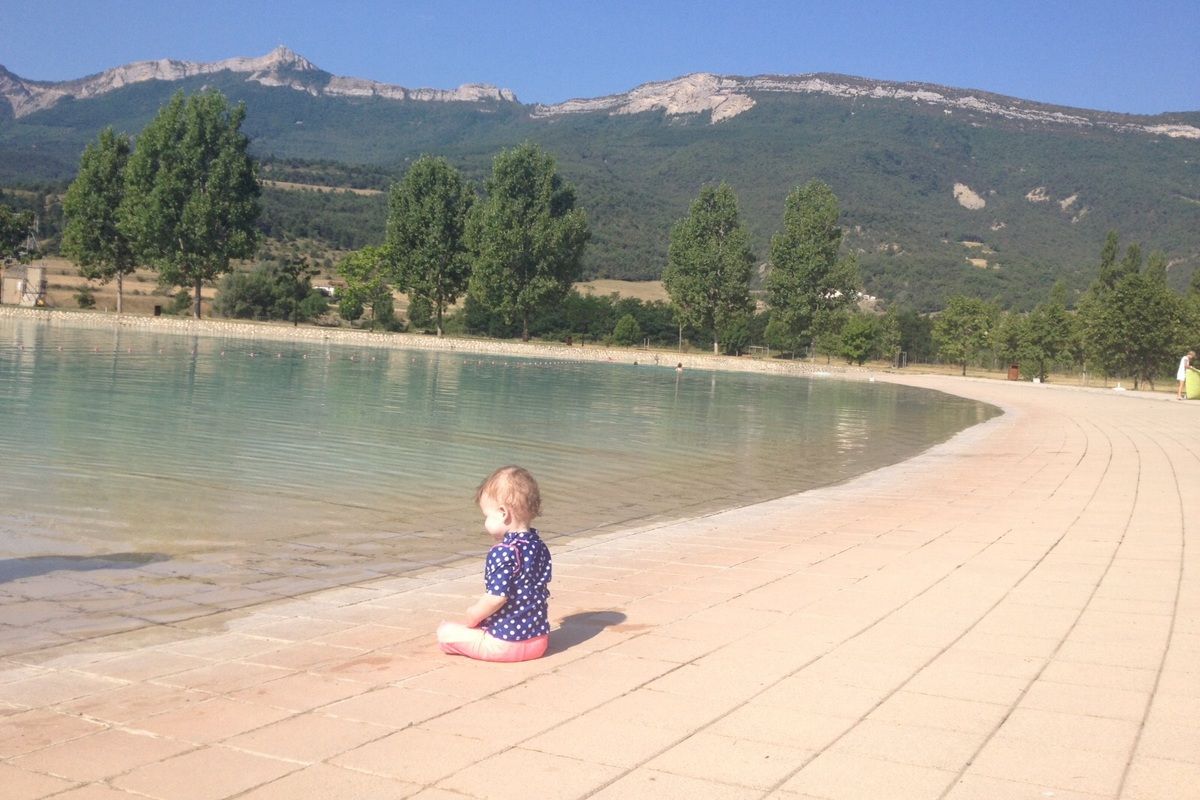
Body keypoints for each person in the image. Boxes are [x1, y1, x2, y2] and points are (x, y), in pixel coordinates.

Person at [437, 466, 552, 662]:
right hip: (539, 642)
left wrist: (473, 615)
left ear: (503, 513)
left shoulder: (504, 551)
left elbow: (496, 598)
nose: (485, 522)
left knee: (445, 632)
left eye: (487, 516)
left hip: (505, 645)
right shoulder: (539, 546)